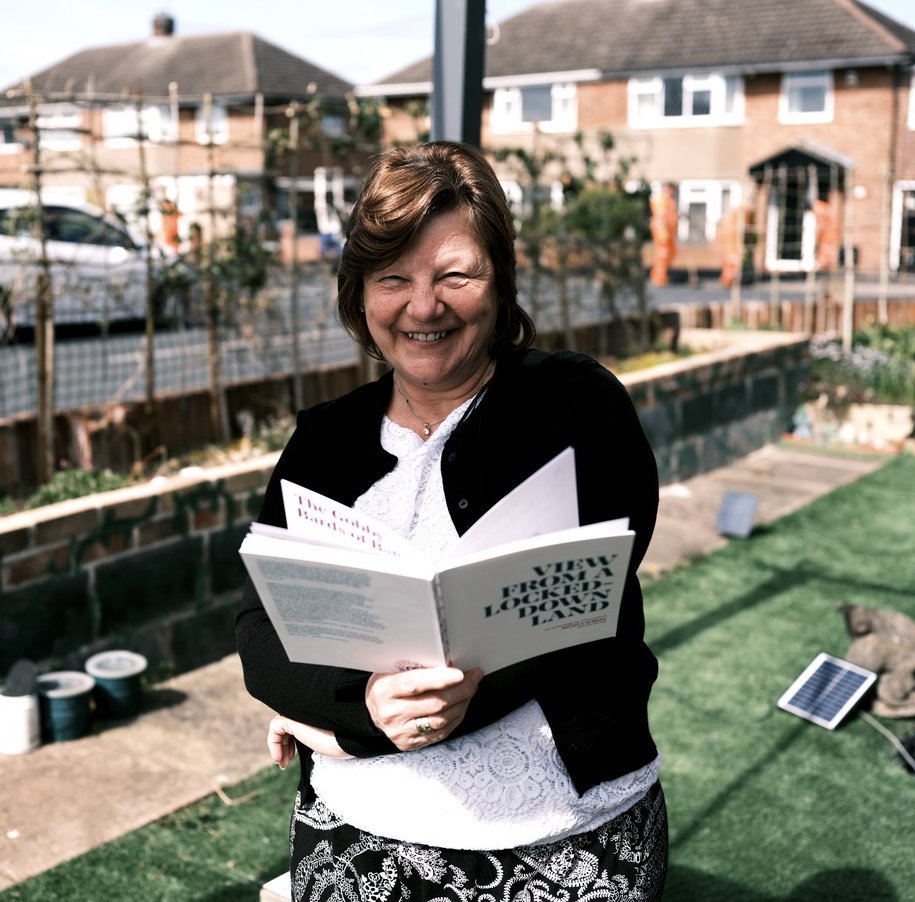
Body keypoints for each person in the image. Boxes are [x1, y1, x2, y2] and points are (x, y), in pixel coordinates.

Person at [236, 141, 667, 901]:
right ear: (359, 292)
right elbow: (260, 631)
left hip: (566, 840)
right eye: (393, 278)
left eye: (455, 275)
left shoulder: (576, 406)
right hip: (354, 833)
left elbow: (573, 614)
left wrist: (345, 732)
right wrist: (359, 708)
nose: (423, 306)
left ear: (499, 280)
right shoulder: (324, 440)